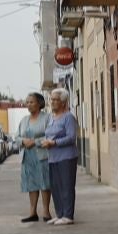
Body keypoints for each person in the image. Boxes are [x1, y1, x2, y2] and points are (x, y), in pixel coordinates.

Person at [41, 87, 80, 225]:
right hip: (52, 157)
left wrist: (54, 142)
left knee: (66, 186)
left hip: (66, 157)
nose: (52, 102)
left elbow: (71, 137)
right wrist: (45, 142)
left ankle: (68, 215)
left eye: (56, 100)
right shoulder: (51, 118)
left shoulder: (68, 117)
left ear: (63, 102)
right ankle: (60, 214)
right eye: (51, 99)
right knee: (55, 187)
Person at [15, 92, 52, 223]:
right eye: (27, 102)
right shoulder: (24, 120)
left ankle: (46, 211)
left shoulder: (47, 118)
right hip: (28, 156)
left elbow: (50, 135)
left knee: (44, 183)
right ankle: (32, 212)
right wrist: (23, 141)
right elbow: (17, 137)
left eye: (32, 102)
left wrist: (35, 142)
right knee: (31, 183)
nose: (29, 105)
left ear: (39, 103)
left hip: (42, 155)